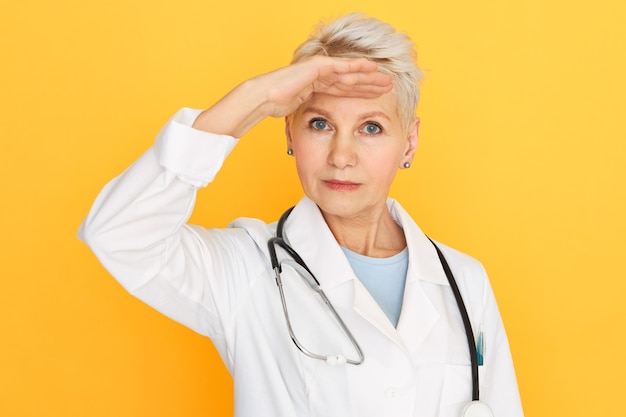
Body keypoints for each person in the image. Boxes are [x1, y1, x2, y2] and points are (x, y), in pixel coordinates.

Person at [79, 13, 523, 417]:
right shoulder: (245, 270)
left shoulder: (464, 283)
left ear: (408, 142)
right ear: (289, 130)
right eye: (319, 124)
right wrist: (256, 97)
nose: (342, 155)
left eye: (371, 128)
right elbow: (117, 232)